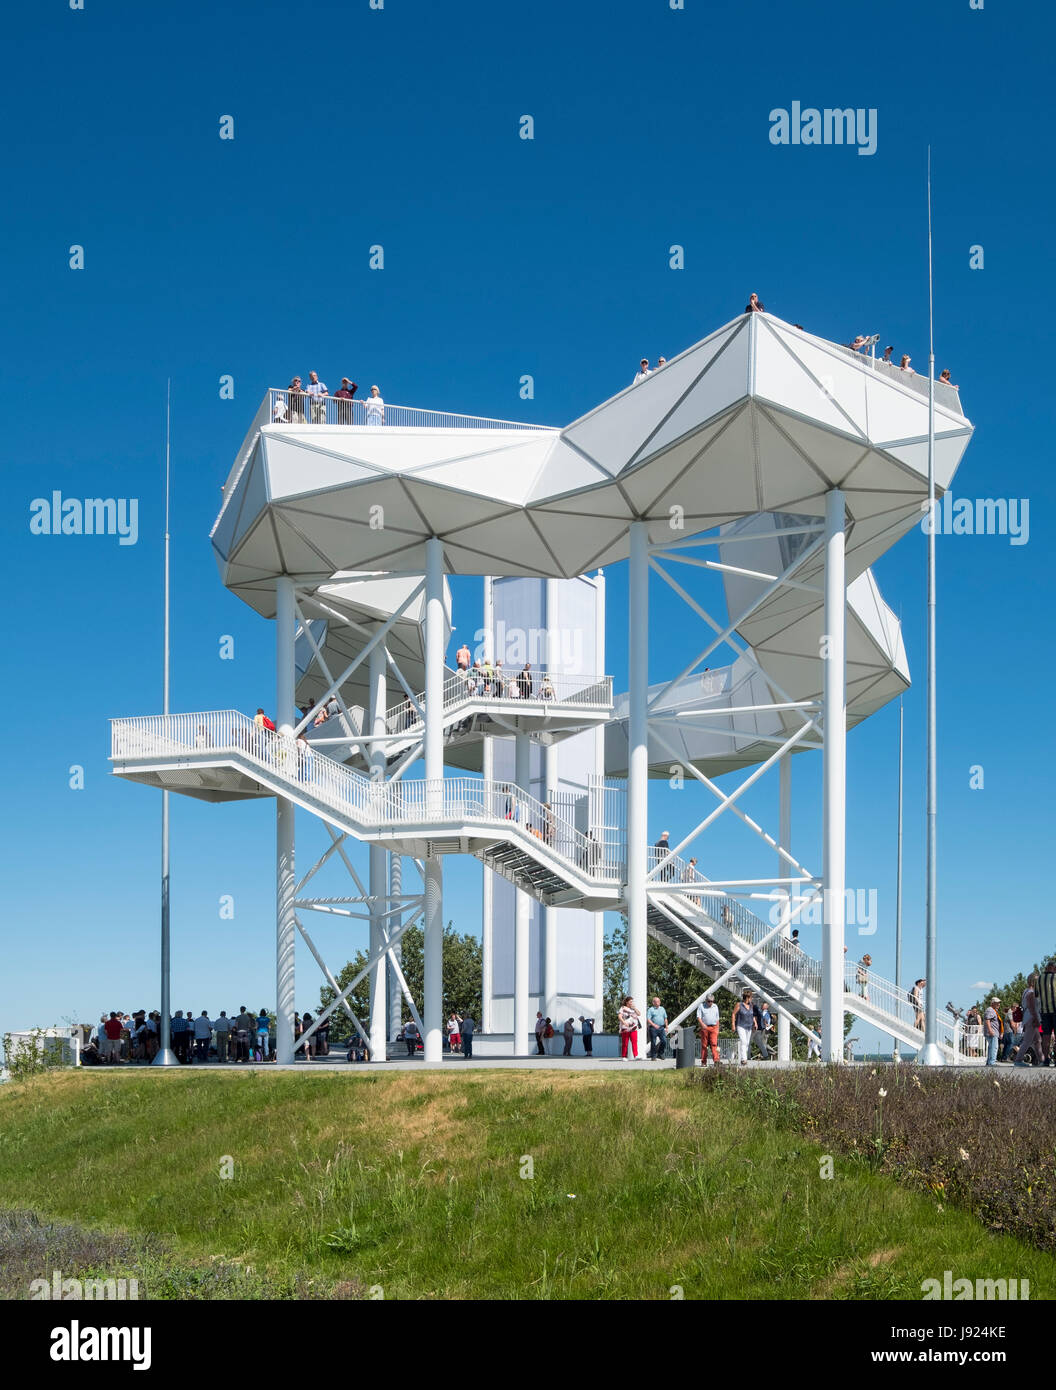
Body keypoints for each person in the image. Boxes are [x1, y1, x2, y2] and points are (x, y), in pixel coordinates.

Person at [1016, 975, 1043, 1067]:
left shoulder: (1026, 991)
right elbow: (1032, 1007)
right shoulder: (1031, 993)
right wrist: (1036, 1018)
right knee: (1027, 1041)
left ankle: (1042, 1059)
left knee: (1037, 1040)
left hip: (1027, 1017)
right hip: (1032, 1017)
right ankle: (1018, 1060)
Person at [1036, 961, 1056, 1065]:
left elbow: (1036, 995)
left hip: (1044, 1011)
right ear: (1053, 968)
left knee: (1046, 1036)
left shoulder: (1039, 979)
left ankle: (1045, 1060)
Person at [696, 994, 721, 1067]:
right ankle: (703, 1062)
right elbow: (698, 1017)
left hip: (714, 1028)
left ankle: (716, 1061)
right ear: (706, 1000)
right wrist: (702, 1024)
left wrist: (717, 1028)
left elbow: (717, 1019)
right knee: (704, 1045)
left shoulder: (715, 1006)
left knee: (714, 1044)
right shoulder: (701, 1006)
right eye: (709, 1001)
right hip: (705, 1028)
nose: (710, 1003)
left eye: (712, 1001)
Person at [732, 990, 755, 1065]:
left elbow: (752, 1015)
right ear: (747, 997)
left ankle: (744, 1057)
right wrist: (733, 1024)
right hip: (741, 1025)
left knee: (747, 1043)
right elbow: (733, 1014)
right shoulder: (739, 1005)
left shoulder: (751, 1005)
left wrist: (755, 1022)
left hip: (749, 1026)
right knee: (743, 1041)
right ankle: (743, 1059)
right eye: (751, 997)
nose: (752, 999)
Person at [983, 997, 1002, 1068]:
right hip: (992, 1032)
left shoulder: (993, 1010)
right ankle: (992, 1062)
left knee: (991, 1047)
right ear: (993, 1003)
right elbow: (987, 1020)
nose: (999, 1004)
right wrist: (990, 1030)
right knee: (994, 1047)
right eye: (997, 1003)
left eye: (999, 1003)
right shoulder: (990, 1010)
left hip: (994, 1032)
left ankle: (989, 1062)